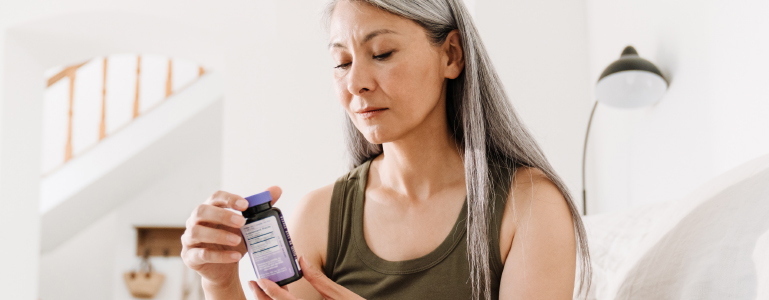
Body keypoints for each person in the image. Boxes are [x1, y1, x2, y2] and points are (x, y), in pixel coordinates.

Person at [181, 0, 591, 299]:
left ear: (451, 55)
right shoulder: (320, 215)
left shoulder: (529, 206)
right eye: (341, 62)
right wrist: (220, 283)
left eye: (382, 53)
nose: (356, 82)